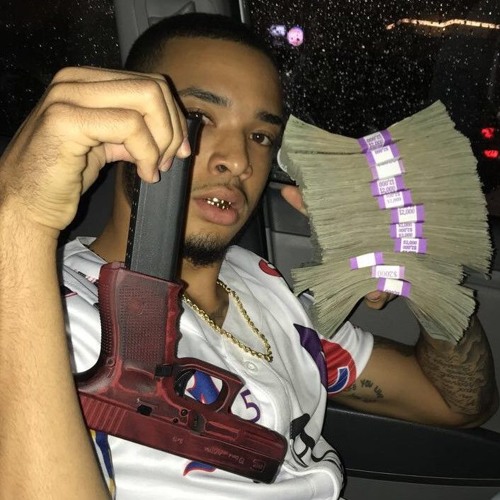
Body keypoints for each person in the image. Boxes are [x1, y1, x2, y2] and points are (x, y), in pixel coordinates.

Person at [0, 12, 497, 500]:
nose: (238, 160)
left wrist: (425, 279)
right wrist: (19, 219)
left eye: (260, 137)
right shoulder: (43, 314)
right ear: (118, 126)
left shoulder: (269, 290)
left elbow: (456, 404)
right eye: (198, 119)